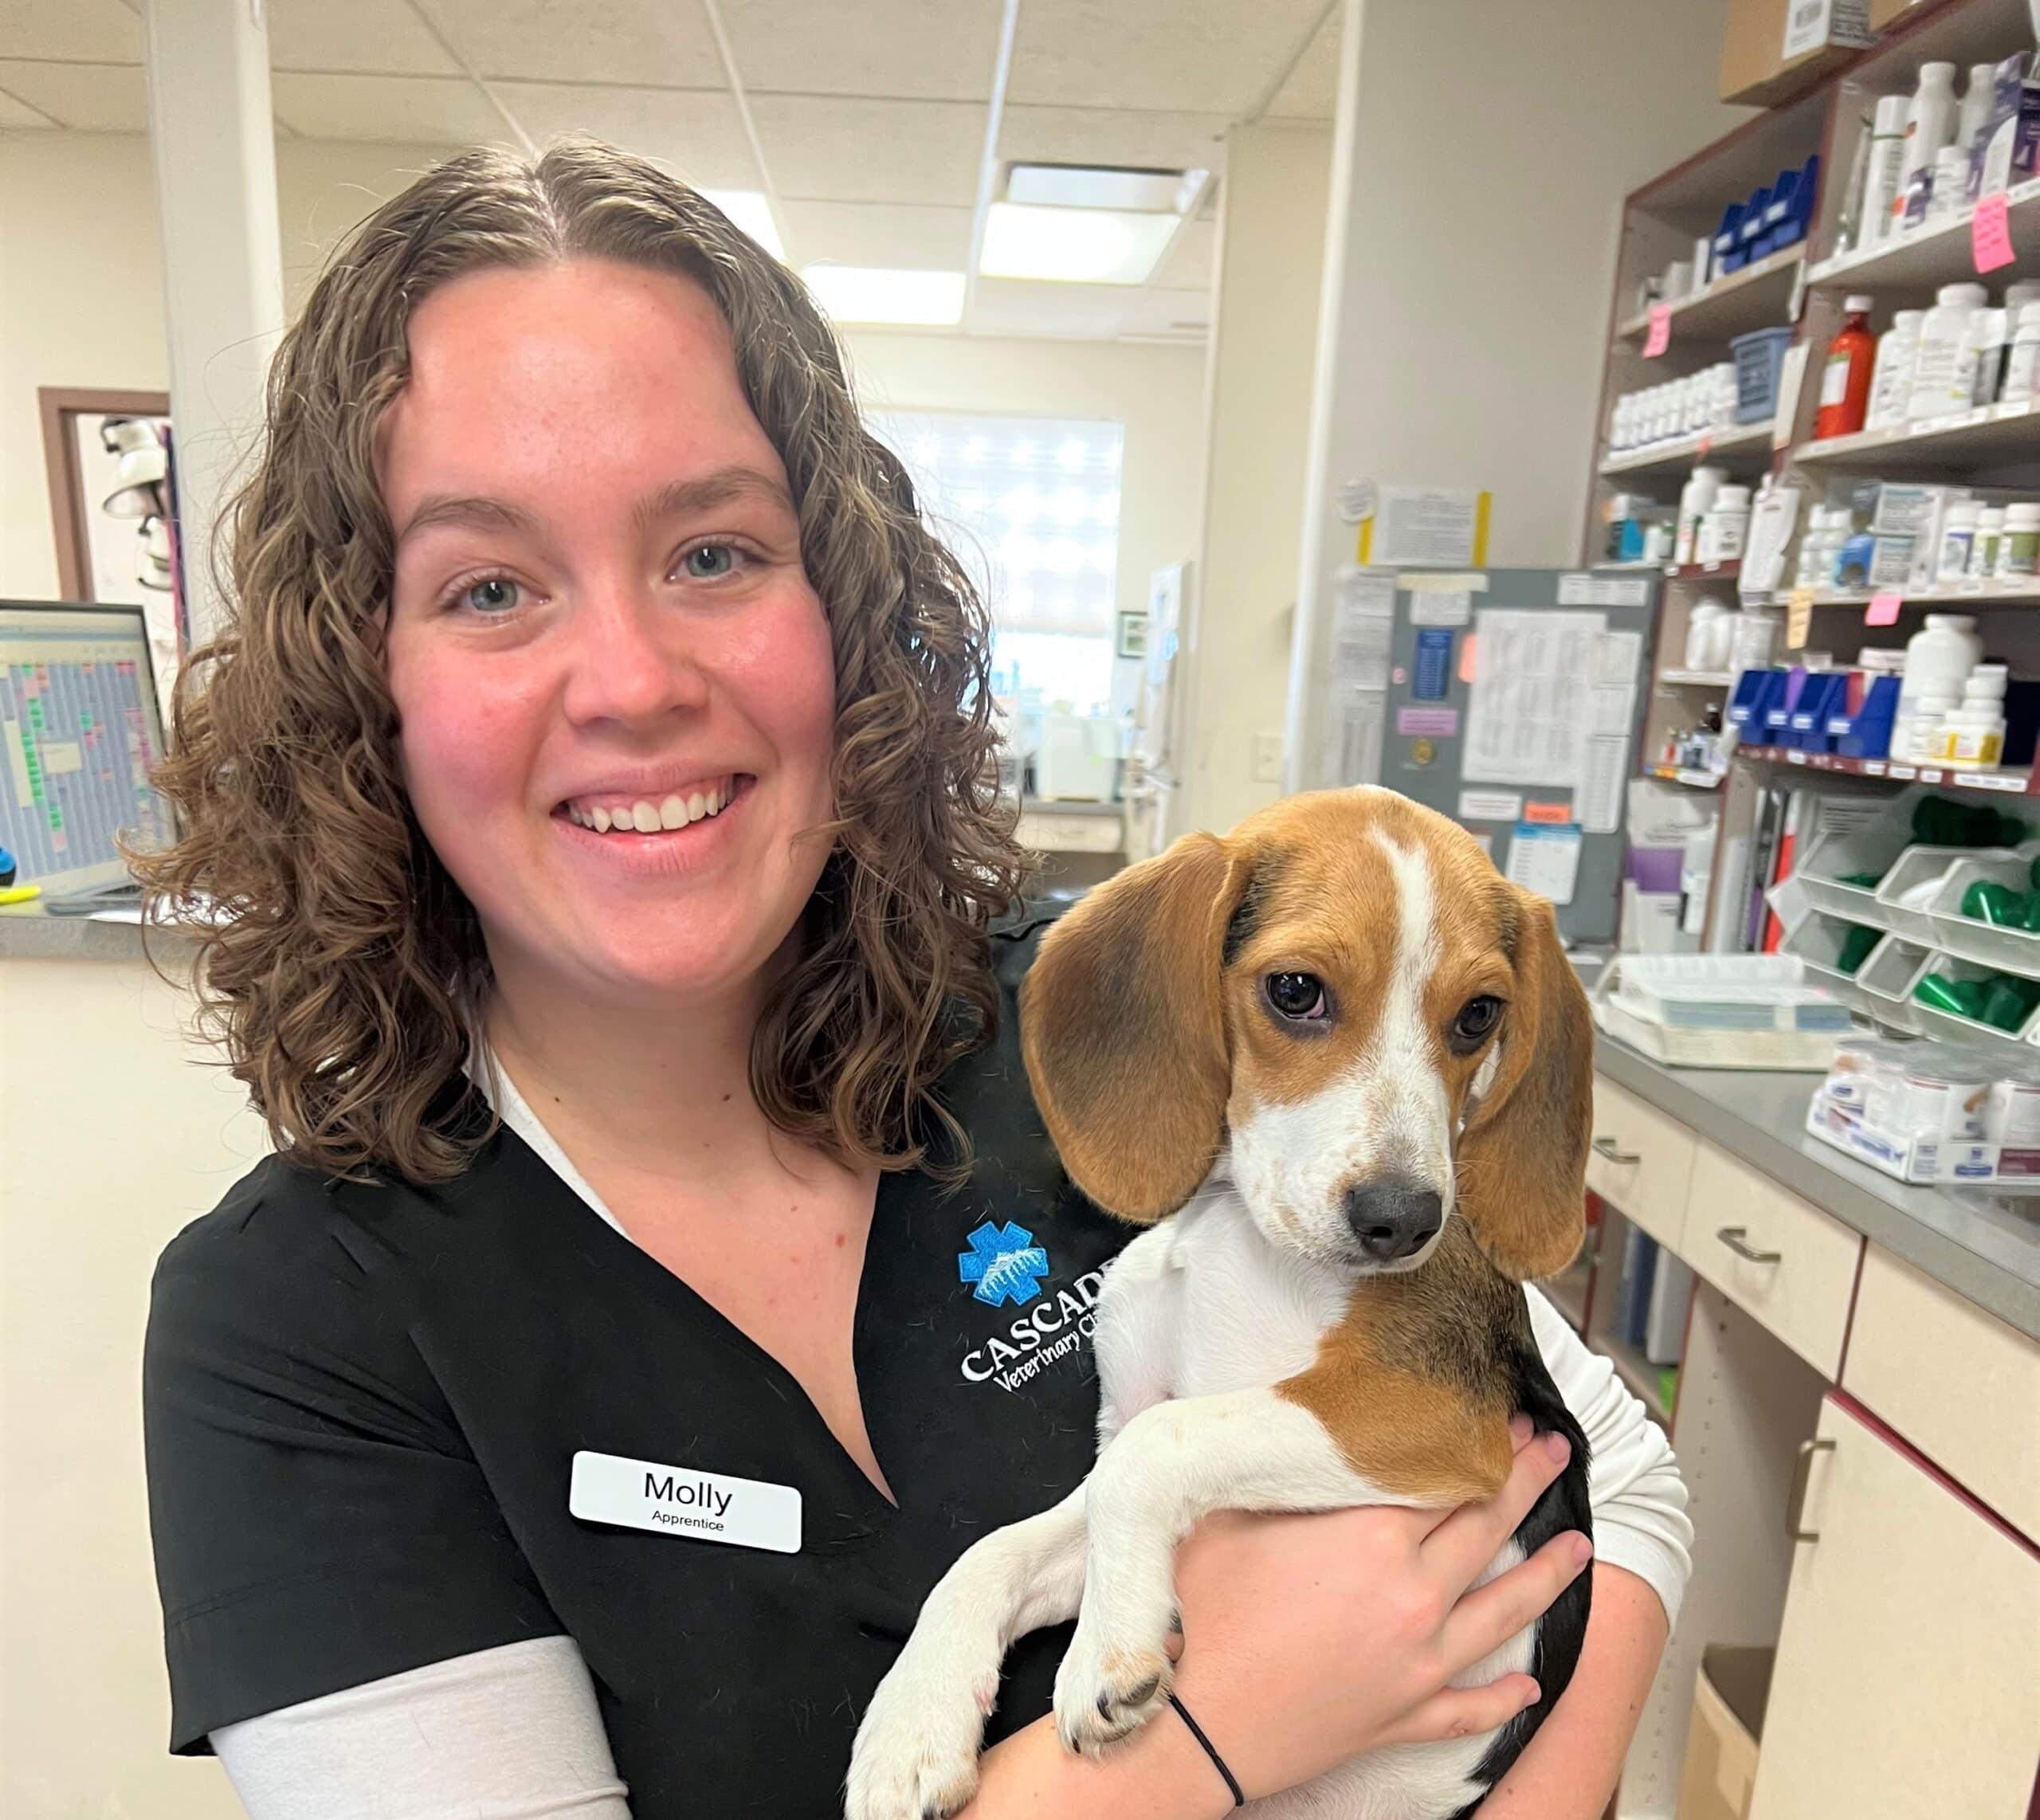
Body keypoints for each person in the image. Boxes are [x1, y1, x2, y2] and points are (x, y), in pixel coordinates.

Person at [139, 138, 1691, 1820]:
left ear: (846, 607)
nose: (631, 680)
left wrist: (1553, 1783)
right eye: (490, 585)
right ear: (354, 670)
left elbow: (1604, 1457)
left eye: (714, 552)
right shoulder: (300, 1331)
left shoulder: (1102, 1033)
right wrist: (1206, 1737)